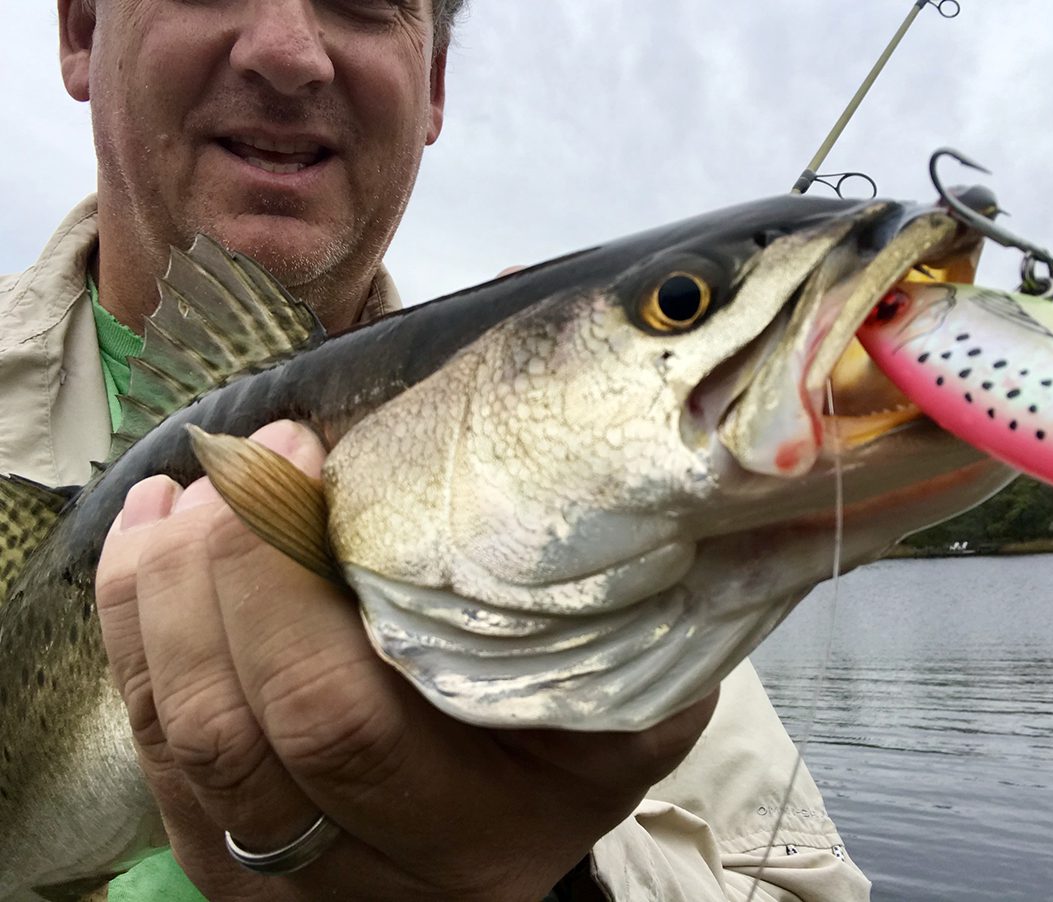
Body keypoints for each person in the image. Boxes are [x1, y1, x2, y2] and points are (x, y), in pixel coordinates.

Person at [0, 1, 871, 899]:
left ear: (434, 86)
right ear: (79, 32)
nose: (288, 52)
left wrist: (554, 882)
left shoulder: (608, 523)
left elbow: (801, 882)